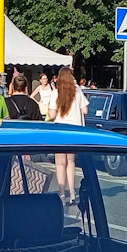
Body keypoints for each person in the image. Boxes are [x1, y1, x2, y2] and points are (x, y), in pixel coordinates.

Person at [49, 67, 89, 206]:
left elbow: (52, 115)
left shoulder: (56, 93)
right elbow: (85, 110)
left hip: (60, 130)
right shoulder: (77, 92)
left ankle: (62, 194)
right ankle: (72, 192)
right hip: (74, 131)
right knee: (71, 162)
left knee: (60, 163)